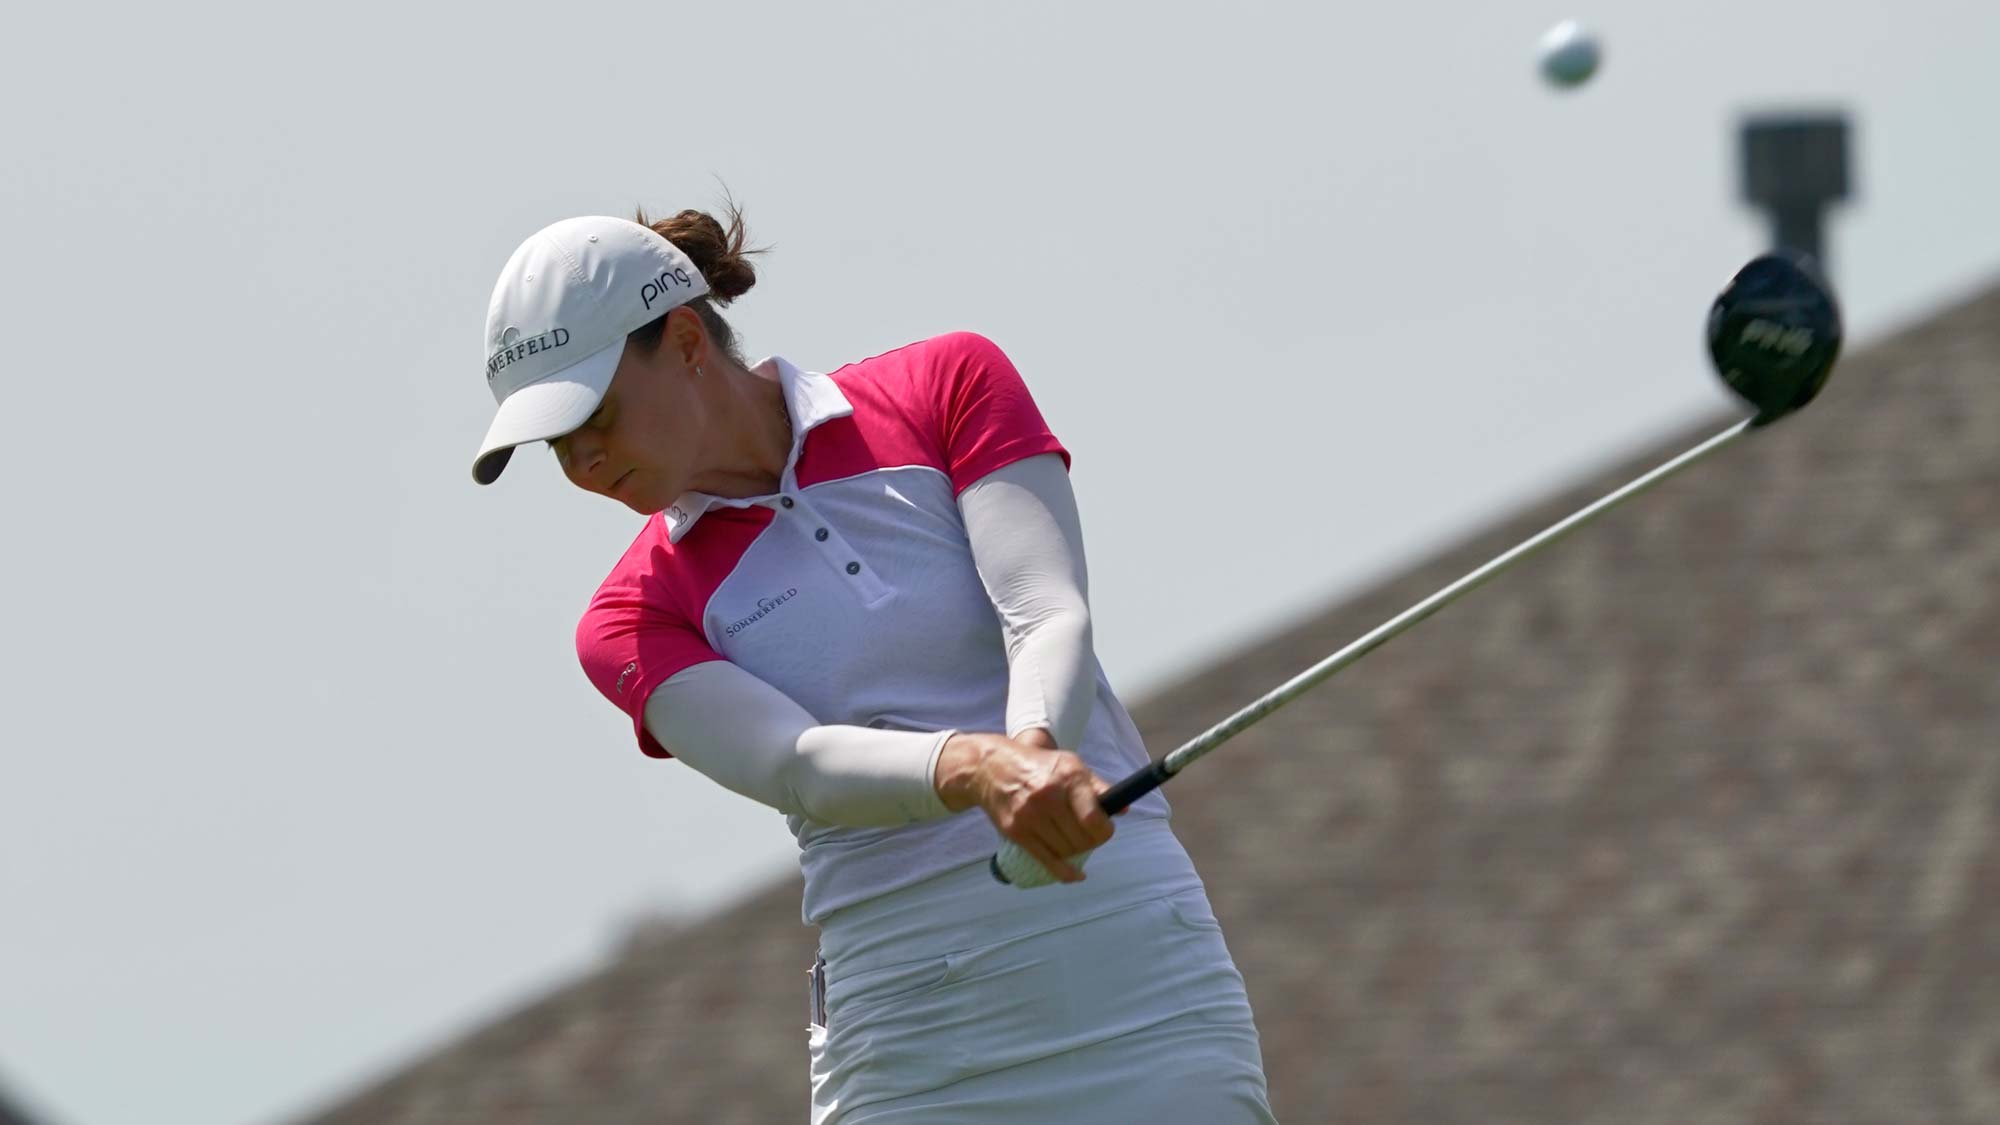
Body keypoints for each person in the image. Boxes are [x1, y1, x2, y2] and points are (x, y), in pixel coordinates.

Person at [470, 205, 1277, 1123]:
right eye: (556, 445)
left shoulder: (945, 383)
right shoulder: (628, 615)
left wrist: (1036, 749)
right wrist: (982, 770)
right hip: (912, 1029)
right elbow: (795, 763)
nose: (582, 460)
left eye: (596, 416)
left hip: (1133, 973)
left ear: (687, 340)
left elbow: (1043, 606)